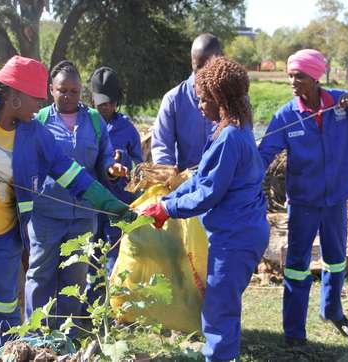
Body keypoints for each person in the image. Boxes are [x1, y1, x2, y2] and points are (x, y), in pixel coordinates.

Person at [0, 55, 135, 361]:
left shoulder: (35, 133)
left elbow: (70, 173)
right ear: (14, 96)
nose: (41, 105)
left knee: (4, 318)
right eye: (36, 98)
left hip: (1, 240)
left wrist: (110, 204)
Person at [258, 48, 348, 347]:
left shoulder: (344, 106)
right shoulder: (286, 115)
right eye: (290, 76)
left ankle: (332, 311)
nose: (294, 82)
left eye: (300, 76)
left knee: (335, 260)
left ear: (316, 77)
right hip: (303, 205)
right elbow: (264, 154)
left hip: (335, 202)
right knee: (296, 265)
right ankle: (294, 333)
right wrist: (238, 169)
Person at [143, 57, 270, 362]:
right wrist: (166, 200)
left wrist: (167, 210)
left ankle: (219, 357)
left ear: (220, 99)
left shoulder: (230, 137)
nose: (199, 105)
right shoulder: (227, 129)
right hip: (239, 232)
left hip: (237, 237)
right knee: (222, 304)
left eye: (203, 99)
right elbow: (200, 178)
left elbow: (207, 195)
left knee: (218, 311)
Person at [24, 61, 131, 333]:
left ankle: (69, 339)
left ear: (81, 91)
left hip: (84, 215)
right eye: (62, 90)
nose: (68, 96)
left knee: (75, 278)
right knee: (40, 276)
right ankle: (37, 337)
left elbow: (105, 155)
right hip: (46, 214)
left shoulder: (94, 121)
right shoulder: (39, 122)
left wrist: (111, 168)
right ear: (51, 90)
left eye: (74, 90)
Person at [90, 66, 143, 275]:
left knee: (115, 263)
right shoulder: (84, 123)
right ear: (92, 99)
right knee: (90, 262)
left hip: (117, 206)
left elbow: (138, 167)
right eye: (102, 102)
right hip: (89, 206)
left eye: (112, 102)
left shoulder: (127, 128)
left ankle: (112, 306)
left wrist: (125, 161)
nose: (107, 106)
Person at [150, 33, 222, 171]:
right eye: (198, 67)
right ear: (192, 61)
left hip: (224, 181)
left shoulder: (234, 98)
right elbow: (162, 148)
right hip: (186, 183)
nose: (202, 75)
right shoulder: (173, 100)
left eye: (208, 68)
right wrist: (168, 176)